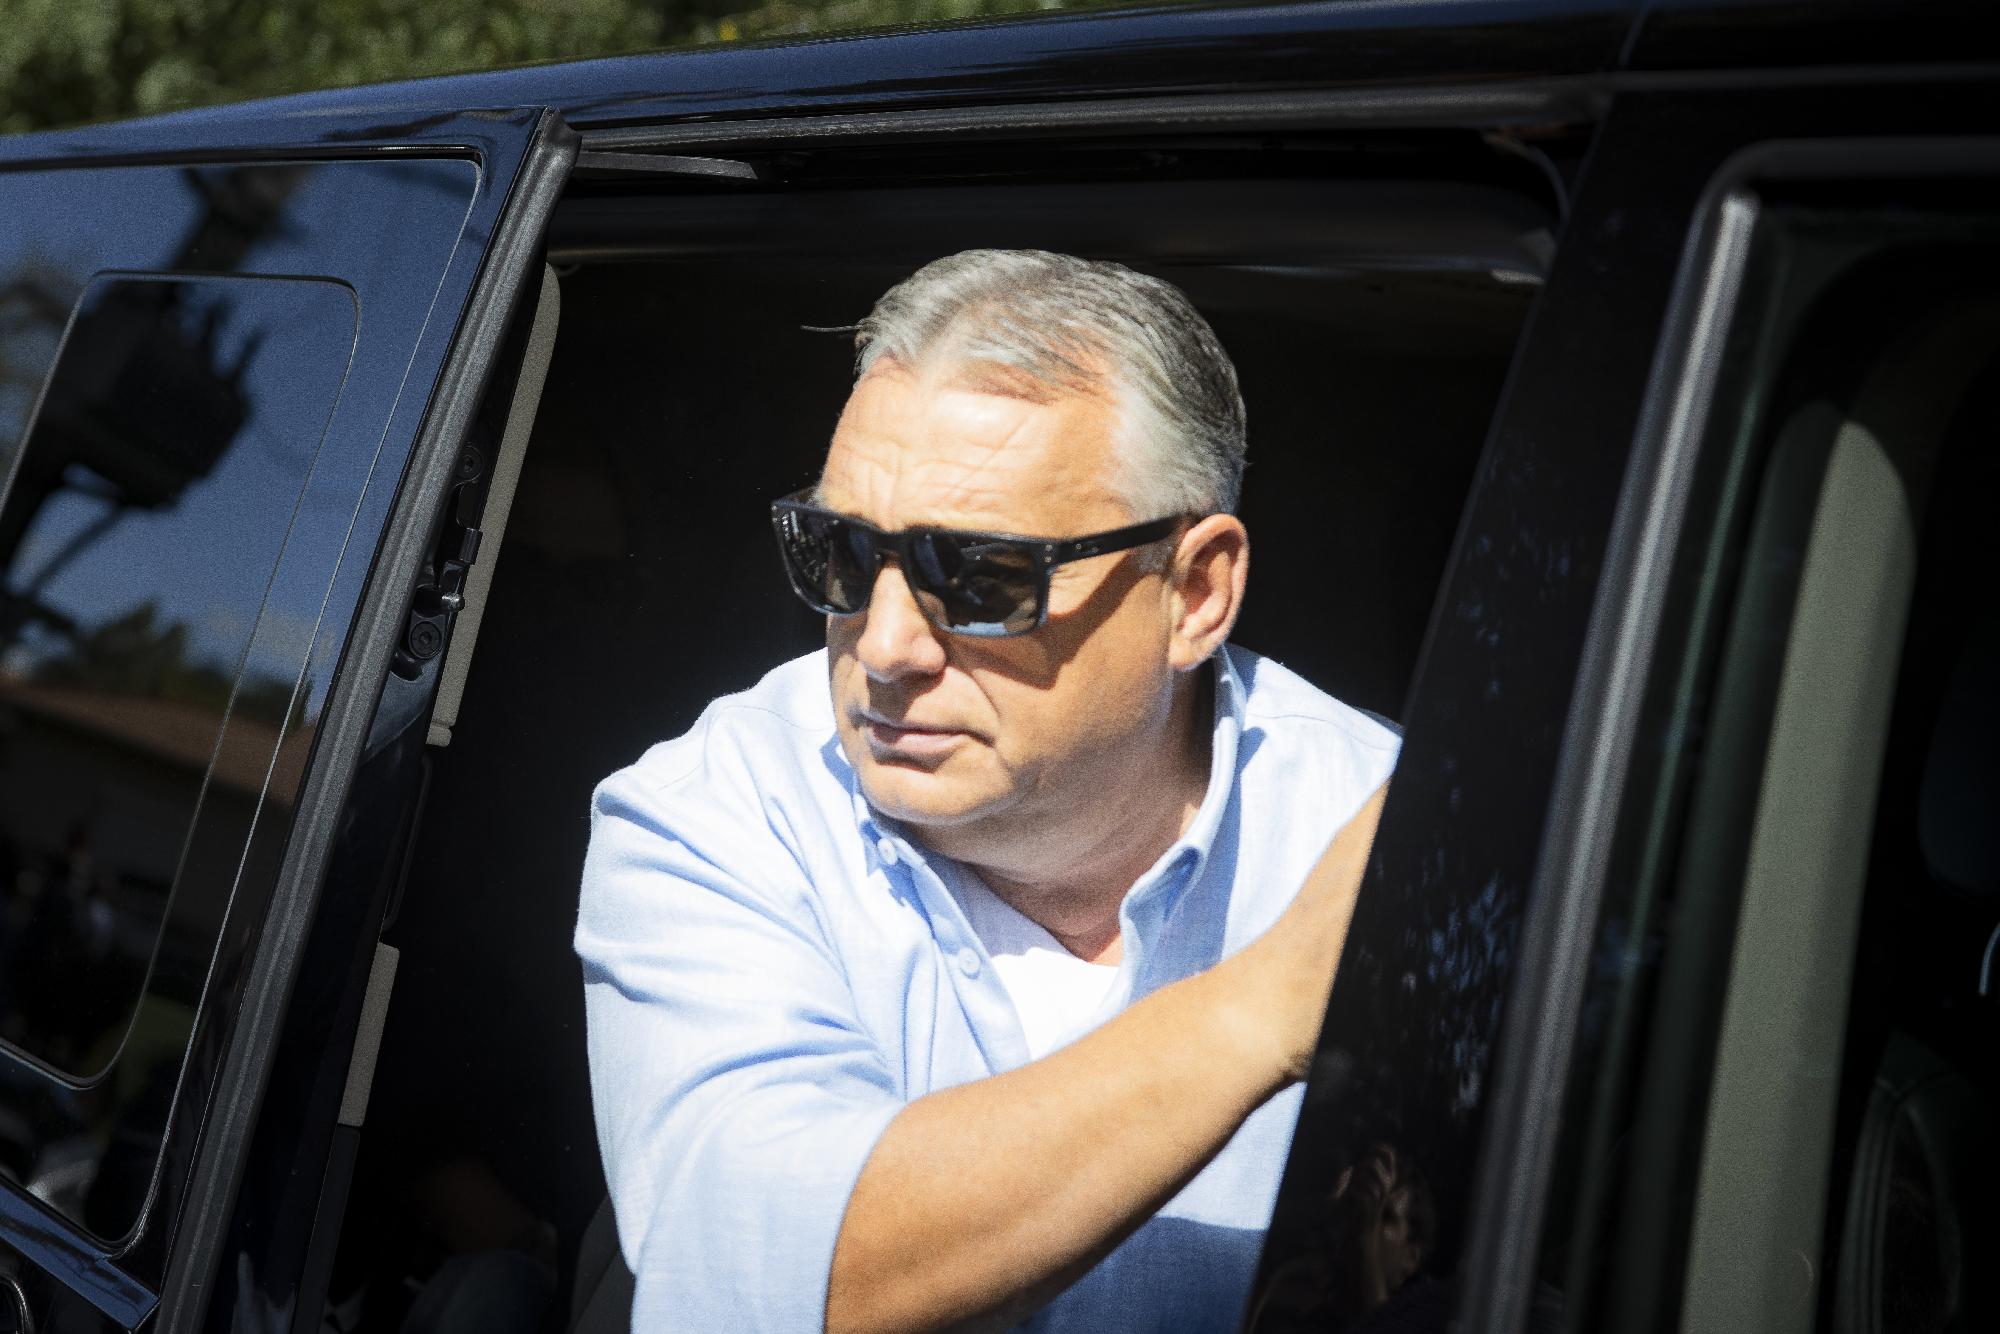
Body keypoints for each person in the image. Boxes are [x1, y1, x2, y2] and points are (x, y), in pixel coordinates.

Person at [577, 249, 1398, 1333]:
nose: (884, 645)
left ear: (1195, 592)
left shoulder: (1383, 818)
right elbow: (770, 1279)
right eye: (840, 553)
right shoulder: (713, 813)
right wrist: (1265, 1008)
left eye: (978, 577)